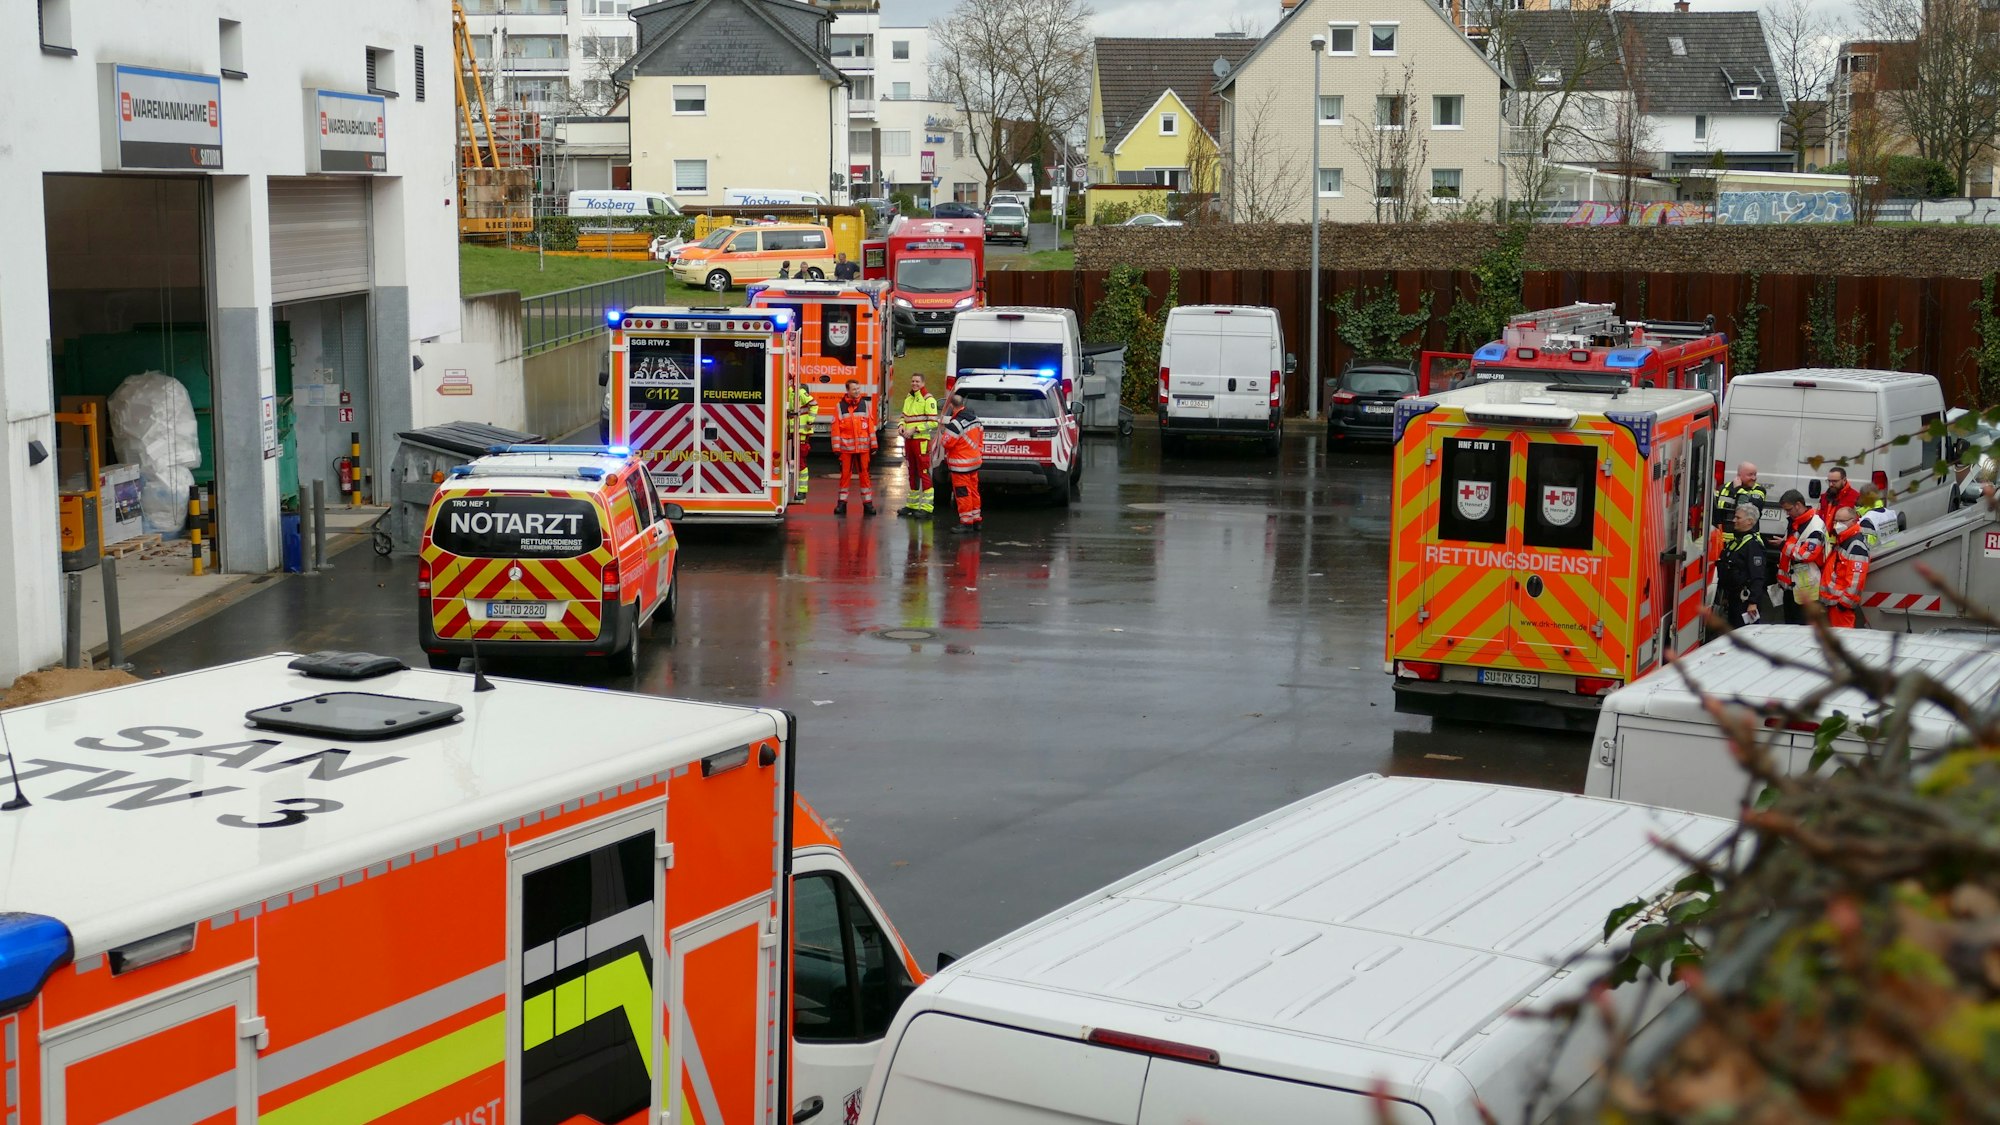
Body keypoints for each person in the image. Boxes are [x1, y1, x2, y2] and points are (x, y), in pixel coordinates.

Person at [1715, 500, 1772, 628]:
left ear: (1749, 521)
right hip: (1734, 598)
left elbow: (1758, 576)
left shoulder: (1754, 545)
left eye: (1738, 518)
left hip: (1745, 602)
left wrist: (1753, 602)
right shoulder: (1738, 541)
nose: (1734, 520)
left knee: (1745, 634)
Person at [1775, 489, 1827, 626]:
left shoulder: (1815, 526)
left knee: (1804, 628)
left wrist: (1783, 545)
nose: (1787, 513)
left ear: (1798, 505)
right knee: (1791, 626)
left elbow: (1805, 554)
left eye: (1789, 509)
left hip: (1806, 587)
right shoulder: (1796, 522)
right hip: (1793, 586)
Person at [831, 379, 878, 516]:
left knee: (865, 476)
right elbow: (835, 428)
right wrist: (836, 448)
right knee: (845, 476)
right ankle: (842, 504)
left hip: (863, 449)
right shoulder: (840, 407)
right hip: (846, 449)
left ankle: (868, 504)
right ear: (848, 391)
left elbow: (870, 426)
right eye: (854, 389)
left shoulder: (865, 405)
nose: (857, 391)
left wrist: (874, 444)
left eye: (858, 389)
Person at [1820, 505, 1871, 628]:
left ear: (1853, 521)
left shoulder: (1856, 546)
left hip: (1841, 606)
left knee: (1843, 636)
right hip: (1834, 602)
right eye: (1835, 521)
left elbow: (1856, 581)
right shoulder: (1844, 539)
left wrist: (1844, 604)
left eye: (1842, 521)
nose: (1837, 525)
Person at [941, 393, 984, 534]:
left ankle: (966, 523)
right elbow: (980, 438)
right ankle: (976, 520)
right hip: (974, 462)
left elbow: (946, 443)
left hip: (960, 465)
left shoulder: (955, 424)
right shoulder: (975, 419)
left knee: (963, 494)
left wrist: (944, 433)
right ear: (963, 404)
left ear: (951, 406)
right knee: (973, 492)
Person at [897, 373, 938, 518]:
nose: (914, 383)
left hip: (921, 441)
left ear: (923, 383)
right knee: (912, 472)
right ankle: (912, 506)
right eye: (913, 381)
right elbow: (903, 417)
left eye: (917, 381)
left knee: (924, 472)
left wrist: (915, 429)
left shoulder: (928, 399)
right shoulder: (909, 397)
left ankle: (927, 508)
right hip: (909, 441)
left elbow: (933, 422)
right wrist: (901, 426)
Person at [1713, 462, 1765, 530]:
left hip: (1746, 535)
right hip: (1723, 535)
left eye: (1755, 474)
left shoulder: (1759, 490)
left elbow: (1753, 508)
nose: (1754, 478)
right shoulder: (1723, 488)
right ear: (1739, 475)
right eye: (1750, 475)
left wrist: (1738, 489)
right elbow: (1714, 511)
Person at [789, 384, 818, 502]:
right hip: (793, 434)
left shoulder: (799, 392)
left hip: (801, 435)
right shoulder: (791, 392)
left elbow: (814, 404)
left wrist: (810, 421)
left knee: (801, 464)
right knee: (797, 463)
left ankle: (802, 490)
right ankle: (800, 490)